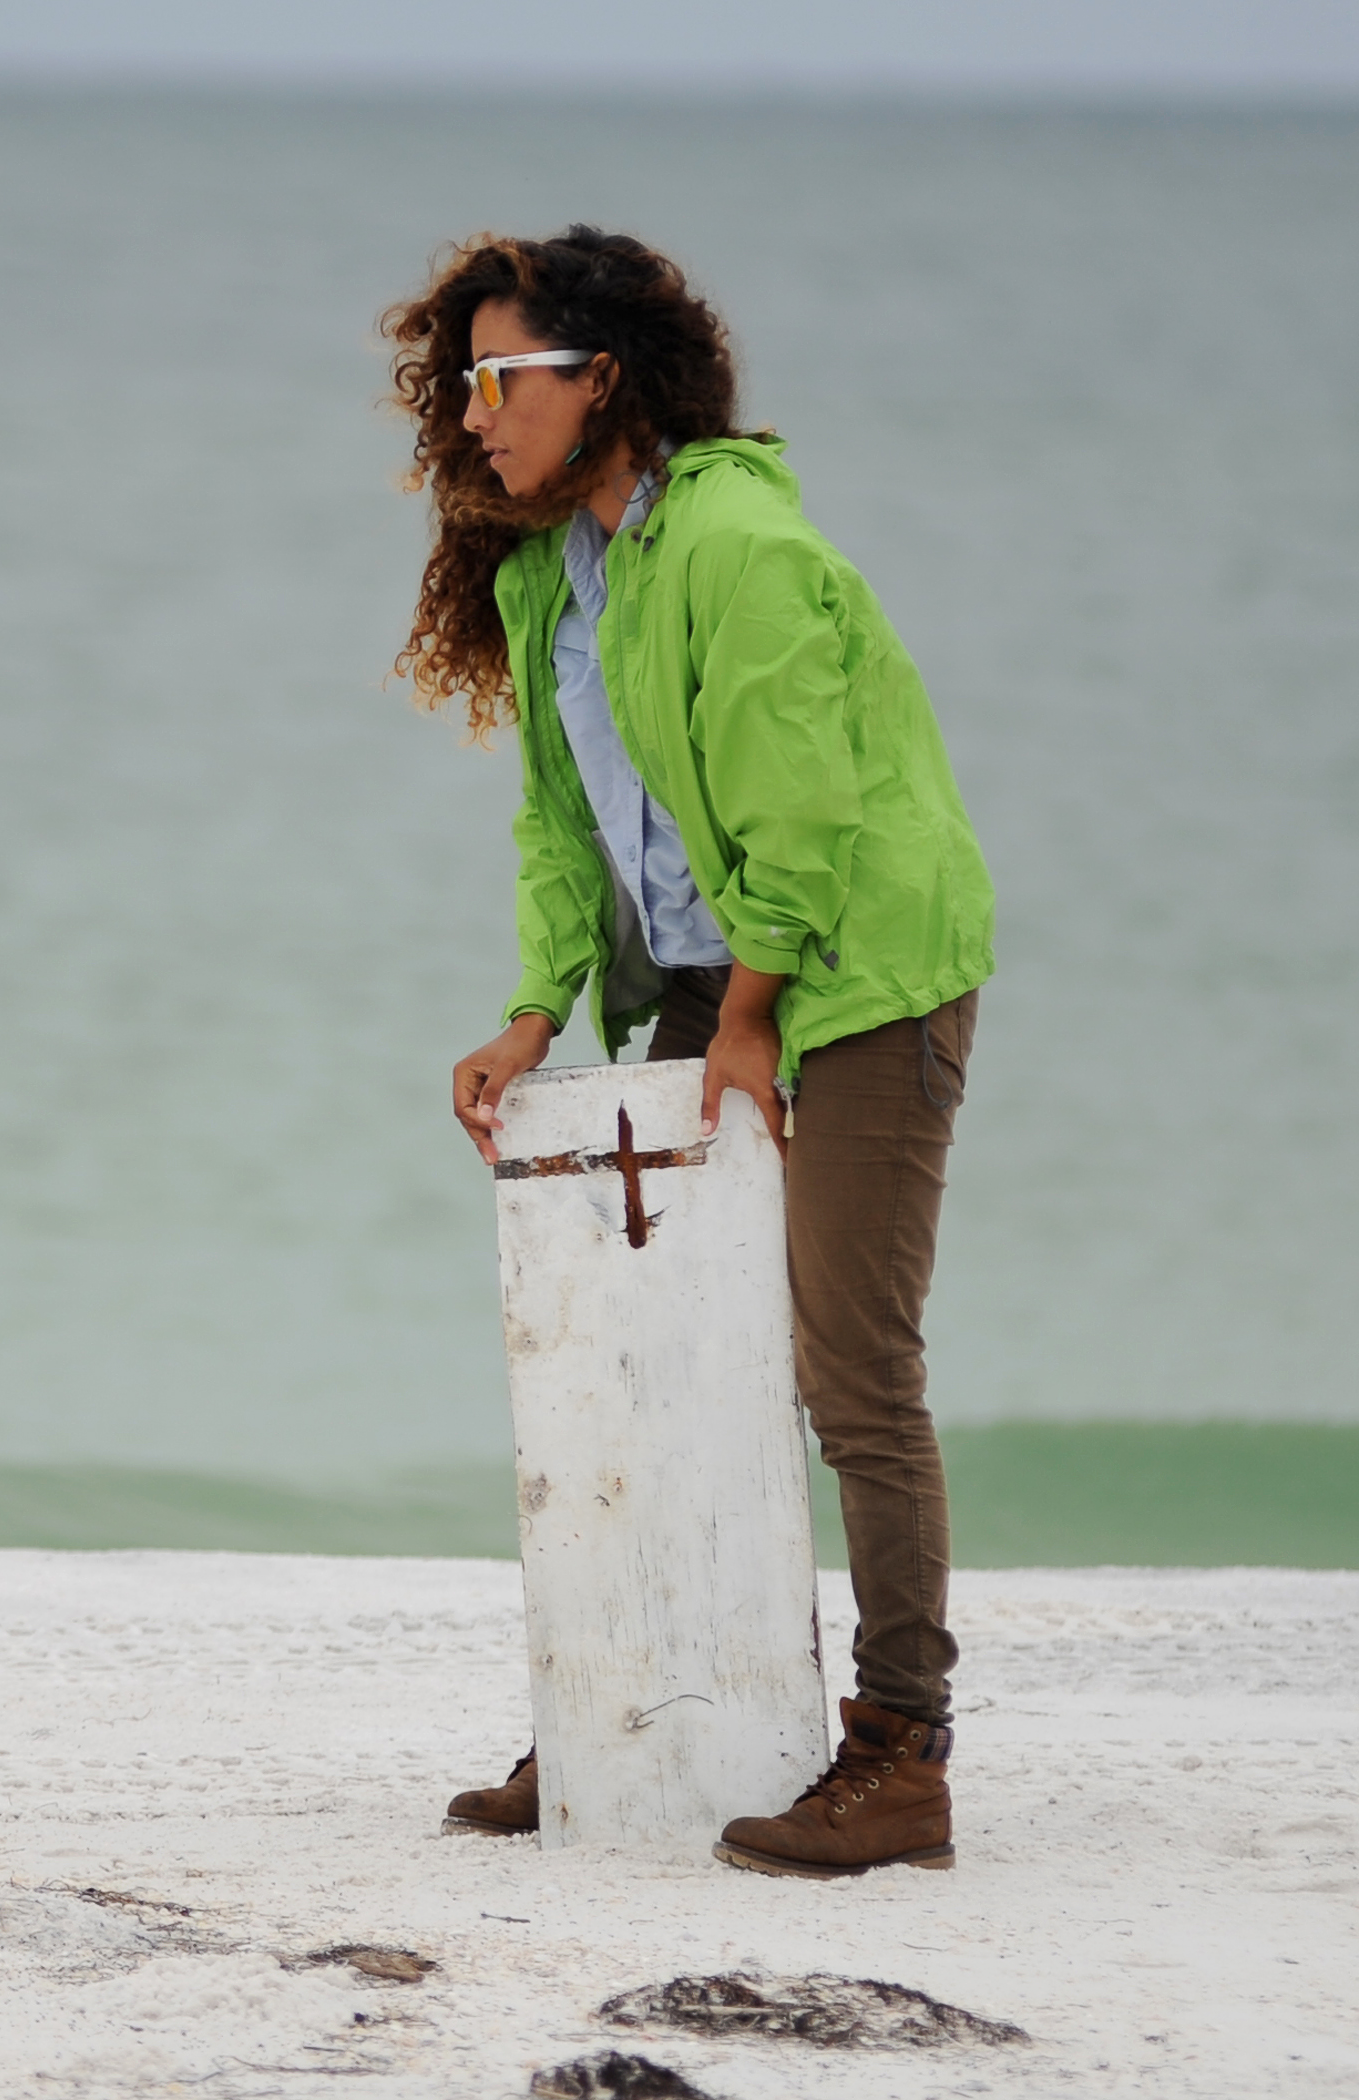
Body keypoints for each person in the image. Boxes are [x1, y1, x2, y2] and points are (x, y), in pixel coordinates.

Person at [384, 228, 994, 1877]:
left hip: (853, 970)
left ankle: (900, 1757)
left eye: (504, 379)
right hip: (721, 973)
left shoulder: (730, 541)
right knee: (646, 1349)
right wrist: (535, 1004)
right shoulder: (548, 573)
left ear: (609, 382)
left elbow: (801, 805)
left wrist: (747, 1019)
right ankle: (623, 1709)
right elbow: (560, 822)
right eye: (466, 384)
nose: (477, 413)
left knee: (851, 1371)